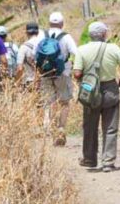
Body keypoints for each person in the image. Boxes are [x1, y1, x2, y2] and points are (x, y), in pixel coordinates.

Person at [73, 21, 120, 172]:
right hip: (110, 89)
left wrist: (86, 82)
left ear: (90, 34)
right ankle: (108, 162)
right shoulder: (113, 48)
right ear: (104, 34)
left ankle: (90, 160)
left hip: (90, 91)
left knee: (90, 127)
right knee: (110, 127)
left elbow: (77, 73)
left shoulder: (82, 50)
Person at [39, 11, 77, 146]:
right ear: (62, 23)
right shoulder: (66, 37)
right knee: (64, 103)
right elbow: (75, 53)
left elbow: (33, 55)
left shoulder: (41, 35)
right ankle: (61, 129)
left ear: (49, 23)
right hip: (63, 74)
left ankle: (50, 129)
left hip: (45, 74)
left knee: (49, 102)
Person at [15, 22, 41, 87]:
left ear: (26, 33)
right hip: (44, 81)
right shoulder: (44, 44)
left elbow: (20, 69)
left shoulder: (23, 47)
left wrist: (16, 82)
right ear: (38, 32)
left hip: (31, 82)